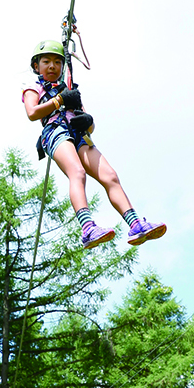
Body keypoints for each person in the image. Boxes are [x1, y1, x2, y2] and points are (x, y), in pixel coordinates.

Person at [23, 39, 166, 250]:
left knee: (110, 175)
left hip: (78, 132)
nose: (52, 66)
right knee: (77, 173)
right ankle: (88, 227)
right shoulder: (33, 87)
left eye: (57, 62)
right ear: (37, 66)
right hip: (55, 131)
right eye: (46, 62)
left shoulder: (69, 90)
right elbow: (32, 113)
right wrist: (59, 101)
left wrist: (88, 121)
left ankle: (135, 224)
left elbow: (88, 122)